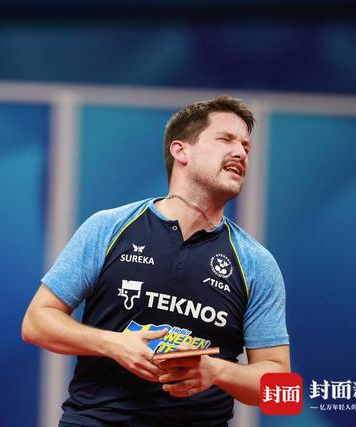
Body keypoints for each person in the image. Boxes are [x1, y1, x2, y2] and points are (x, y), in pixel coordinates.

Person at [22, 95, 290, 427]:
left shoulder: (256, 263)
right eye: (226, 139)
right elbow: (36, 323)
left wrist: (217, 370)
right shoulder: (109, 227)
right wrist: (114, 344)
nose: (241, 153)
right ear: (181, 151)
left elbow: (282, 389)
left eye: (246, 146)